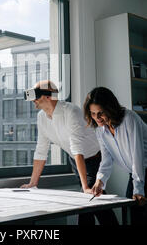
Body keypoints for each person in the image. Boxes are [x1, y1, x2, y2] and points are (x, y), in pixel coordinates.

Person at [20, 80, 118, 225]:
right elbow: (41, 149)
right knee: (93, 202)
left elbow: (77, 148)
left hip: (93, 158)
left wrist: (85, 187)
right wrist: (32, 183)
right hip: (76, 160)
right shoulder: (41, 117)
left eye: (36, 95)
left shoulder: (71, 111)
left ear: (48, 96)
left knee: (90, 200)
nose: (33, 100)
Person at [85, 87, 147, 225]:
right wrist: (99, 181)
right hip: (136, 172)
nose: (97, 118)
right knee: (130, 217)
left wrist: (138, 189)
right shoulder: (100, 130)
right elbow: (106, 159)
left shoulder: (129, 118)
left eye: (100, 113)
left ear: (110, 108)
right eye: (93, 113)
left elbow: (136, 154)